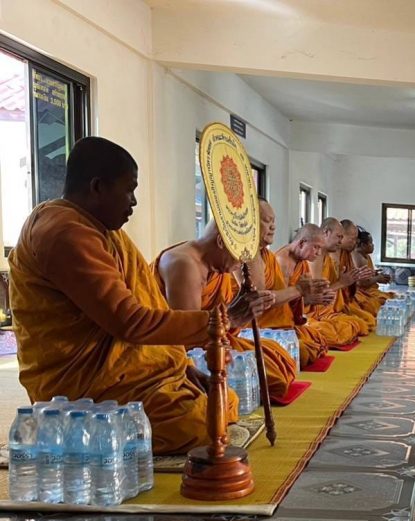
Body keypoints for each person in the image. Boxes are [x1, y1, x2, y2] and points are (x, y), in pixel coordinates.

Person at [8, 136, 252, 455]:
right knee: (197, 421)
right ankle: (78, 436)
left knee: (221, 399)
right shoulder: (64, 234)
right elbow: (130, 322)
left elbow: (142, 309)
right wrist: (219, 322)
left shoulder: (103, 231)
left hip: (123, 374)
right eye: (129, 190)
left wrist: (181, 367)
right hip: (81, 386)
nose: (134, 202)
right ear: (97, 187)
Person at [154, 222, 298, 400]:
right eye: (241, 254)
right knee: (265, 373)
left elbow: (219, 320)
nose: (243, 262)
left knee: (277, 357)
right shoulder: (184, 264)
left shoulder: (216, 263)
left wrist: (240, 308)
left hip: (214, 340)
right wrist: (231, 317)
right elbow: (188, 339)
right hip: (172, 352)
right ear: (221, 242)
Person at [252, 201, 331, 368]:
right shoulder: (279, 260)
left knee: (318, 340)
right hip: (263, 328)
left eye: (273, 221)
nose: (273, 227)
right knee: (303, 350)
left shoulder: (269, 257)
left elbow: (286, 300)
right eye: (266, 221)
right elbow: (263, 301)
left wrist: (309, 297)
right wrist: (301, 292)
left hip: (283, 324)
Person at [276, 223, 361, 350]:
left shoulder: (302, 262)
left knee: (323, 337)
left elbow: (304, 295)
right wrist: (307, 299)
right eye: (316, 247)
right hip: (280, 325)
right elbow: (279, 305)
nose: (318, 253)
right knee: (312, 344)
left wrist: (312, 299)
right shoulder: (281, 260)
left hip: (299, 320)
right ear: (302, 243)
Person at [314, 217, 375, 336]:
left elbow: (344, 287)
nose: (340, 241)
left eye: (341, 237)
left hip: (334, 307)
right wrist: (342, 283)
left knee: (366, 322)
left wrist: (354, 278)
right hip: (317, 312)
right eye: (339, 237)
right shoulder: (316, 256)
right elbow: (314, 296)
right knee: (355, 326)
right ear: (326, 232)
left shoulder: (334, 255)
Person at [351, 225, 393, 314]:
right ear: (363, 245)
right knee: (380, 303)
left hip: (371, 291)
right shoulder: (357, 257)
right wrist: (377, 278)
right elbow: (361, 283)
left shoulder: (366, 256)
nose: (373, 245)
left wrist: (378, 276)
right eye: (371, 242)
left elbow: (368, 276)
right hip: (362, 292)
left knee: (392, 298)